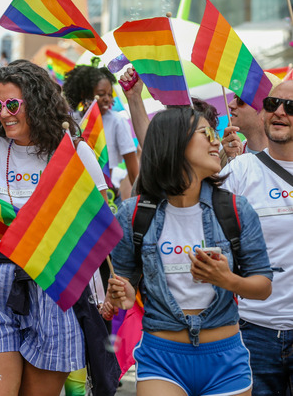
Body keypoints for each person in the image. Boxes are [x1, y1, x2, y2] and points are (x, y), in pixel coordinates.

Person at [0, 60, 108, 396]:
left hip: (53, 285)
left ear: (37, 103)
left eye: (12, 104)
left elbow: (97, 231)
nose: (4, 113)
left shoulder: (74, 152)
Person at [107, 106, 272, 396]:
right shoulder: (133, 214)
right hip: (161, 360)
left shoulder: (236, 209)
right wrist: (120, 295)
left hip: (226, 361)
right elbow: (125, 292)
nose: (216, 141)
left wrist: (228, 280)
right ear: (174, 143)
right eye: (206, 133)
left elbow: (263, 287)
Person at [220, 80, 293, 396]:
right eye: (272, 103)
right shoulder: (240, 170)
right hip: (252, 333)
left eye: (290, 107)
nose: (279, 112)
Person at [63, 64, 139, 186]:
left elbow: (133, 170)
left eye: (110, 94)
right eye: (101, 93)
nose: (107, 99)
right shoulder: (71, 121)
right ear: (84, 94)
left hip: (109, 191)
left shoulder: (117, 121)